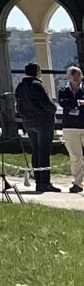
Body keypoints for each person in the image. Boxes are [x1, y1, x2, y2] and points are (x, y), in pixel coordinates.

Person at [14, 61, 58, 194]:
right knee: (44, 152)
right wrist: (54, 109)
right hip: (43, 122)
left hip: (28, 122)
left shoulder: (20, 86)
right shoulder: (37, 85)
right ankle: (44, 182)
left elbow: (18, 106)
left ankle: (38, 180)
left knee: (35, 152)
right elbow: (47, 104)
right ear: (37, 72)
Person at [58, 65, 84, 195]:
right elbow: (64, 103)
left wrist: (74, 103)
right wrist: (78, 103)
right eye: (73, 74)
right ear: (69, 77)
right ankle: (78, 183)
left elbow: (70, 104)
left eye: (78, 74)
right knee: (75, 156)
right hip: (70, 127)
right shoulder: (63, 90)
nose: (76, 77)